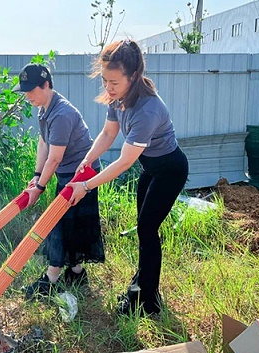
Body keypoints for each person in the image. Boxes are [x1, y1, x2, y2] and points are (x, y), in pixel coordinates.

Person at [67, 39, 188, 316]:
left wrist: (85, 185)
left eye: (114, 82)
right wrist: (88, 159)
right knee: (143, 229)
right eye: (105, 81)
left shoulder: (148, 109)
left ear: (133, 76)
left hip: (170, 171)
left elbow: (123, 162)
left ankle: (148, 302)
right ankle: (140, 287)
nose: (108, 88)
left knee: (147, 230)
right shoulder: (119, 99)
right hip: (151, 170)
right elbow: (108, 134)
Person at [13, 63, 104, 299]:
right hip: (68, 173)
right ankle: (76, 271)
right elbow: (44, 143)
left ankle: (51, 279)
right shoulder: (44, 109)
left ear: (46, 85)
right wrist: (35, 177)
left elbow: (54, 159)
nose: (27, 96)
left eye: (31, 90)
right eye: (24, 91)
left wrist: (40, 189)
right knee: (71, 223)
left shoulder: (62, 114)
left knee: (59, 224)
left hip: (82, 175)